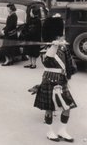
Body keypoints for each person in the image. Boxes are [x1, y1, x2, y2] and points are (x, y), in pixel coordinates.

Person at [32, 13, 77, 142]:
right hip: (49, 78)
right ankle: (50, 132)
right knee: (49, 109)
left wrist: (68, 76)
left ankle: (63, 130)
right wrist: (54, 45)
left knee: (67, 107)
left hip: (61, 80)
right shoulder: (46, 47)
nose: (62, 33)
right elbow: (47, 60)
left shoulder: (64, 46)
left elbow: (69, 63)